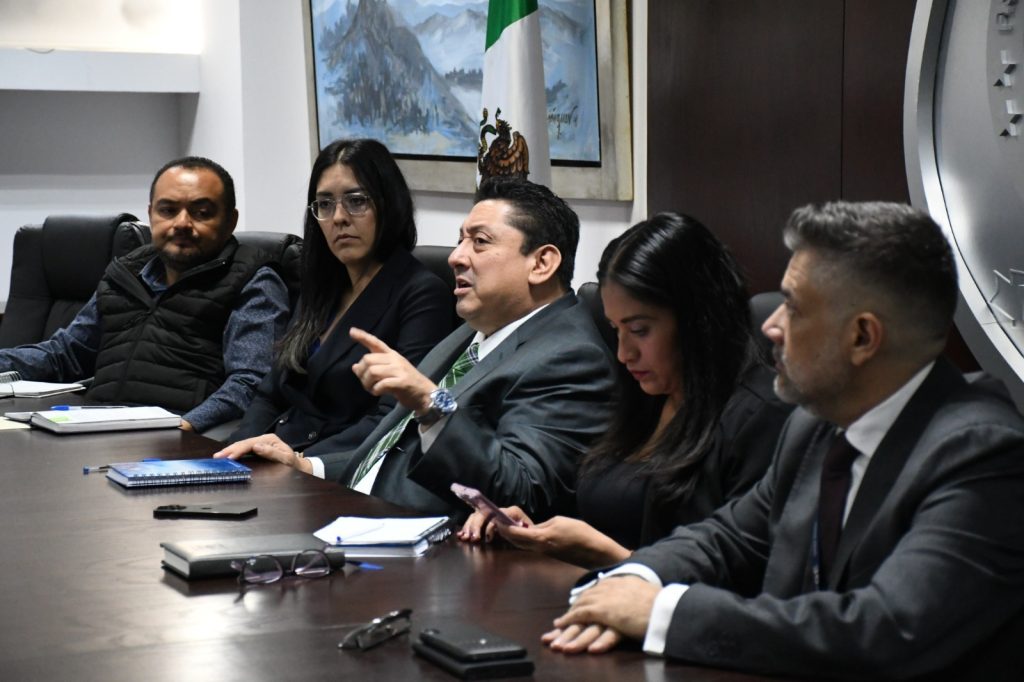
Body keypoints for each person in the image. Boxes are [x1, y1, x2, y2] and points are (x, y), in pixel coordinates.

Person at [544, 201, 1024, 680]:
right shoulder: (814, 426)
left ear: (862, 337)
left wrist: (662, 612)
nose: (770, 325)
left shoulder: (982, 455)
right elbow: (726, 539)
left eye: (792, 307)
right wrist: (633, 578)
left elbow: (884, 631)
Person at [220, 177, 617, 519]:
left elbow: (521, 491)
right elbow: (394, 452)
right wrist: (307, 465)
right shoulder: (476, 330)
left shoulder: (570, 357)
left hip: (432, 551)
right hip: (356, 514)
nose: (456, 257)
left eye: (480, 242)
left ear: (542, 263)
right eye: (460, 240)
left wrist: (431, 403)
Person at [457, 213, 793, 569]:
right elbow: (606, 514)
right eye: (616, 329)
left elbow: (745, 579)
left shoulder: (760, 416)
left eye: (640, 330)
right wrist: (536, 532)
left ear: (698, 319)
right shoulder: (644, 394)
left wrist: (615, 559)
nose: (624, 353)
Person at [0, 157, 290, 432]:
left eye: (202, 213)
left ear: (230, 220)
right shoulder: (126, 273)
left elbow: (250, 383)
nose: (182, 223)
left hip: (182, 440)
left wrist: (184, 427)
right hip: (94, 429)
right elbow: (65, 354)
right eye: (168, 210)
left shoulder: (254, 280)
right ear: (151, 214)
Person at [213, 139, 453, 454]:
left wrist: (302, 461)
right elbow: (270, 394)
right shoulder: (323, 285)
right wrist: (237, 451)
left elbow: (392, 419)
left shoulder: (423, 295)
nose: (339, 217)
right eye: (325, 204)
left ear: (389, 204)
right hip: (277, 451)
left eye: (356, 201)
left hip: (335, 465)